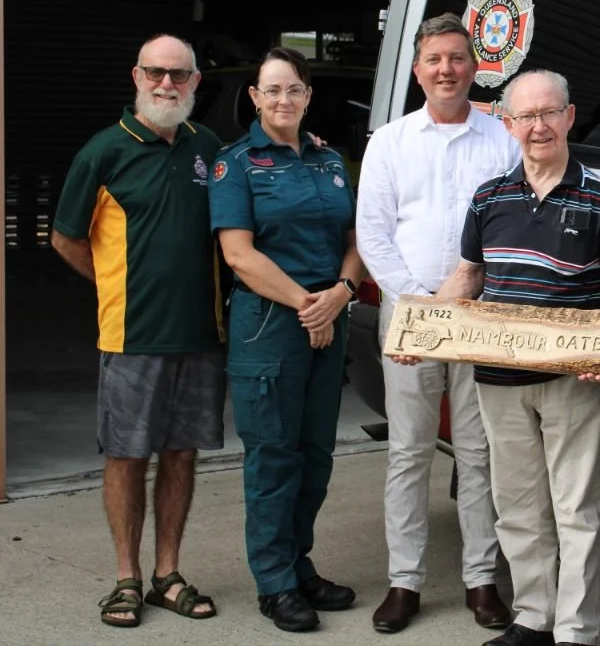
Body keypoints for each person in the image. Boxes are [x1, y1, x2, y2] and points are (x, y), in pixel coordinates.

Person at [421, 69, 600, 646]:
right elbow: (467, 277)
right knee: (517, 503)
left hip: (574, 377)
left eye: (548, 113)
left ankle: (576, 631)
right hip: (498, 376)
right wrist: (422, 332)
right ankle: (533, 618)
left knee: (578, 507)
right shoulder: (489, 198)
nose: (537, 127)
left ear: (569, 117)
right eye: (525, 117)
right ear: (507, 124)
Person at [52, 34, 223, 628]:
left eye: (179, 75)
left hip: (200, 335)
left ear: (196, 82)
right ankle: (126, 578)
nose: (166, 84)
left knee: (181, 453)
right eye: (155, 73)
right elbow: (65, 237)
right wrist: (115, 288)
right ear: (136, 76)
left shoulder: (210, 148)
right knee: (127, 456)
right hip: (129, 337)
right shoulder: (103, 152)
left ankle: (166, 575)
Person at [356, 13, 519, 634]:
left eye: (457, 58)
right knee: (409, 452)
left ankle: (481, 581)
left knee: (479, 454)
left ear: (475, 66)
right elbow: (373, 231)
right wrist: (416, 300)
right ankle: (405, 582)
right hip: (412, 314)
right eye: (434, 59)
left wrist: (468, 296)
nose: (446, 69)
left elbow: (509, 223)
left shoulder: (500, 139)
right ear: (419, 69)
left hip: (480, 315)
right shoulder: (391, 141)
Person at [208, 47, 365, 633]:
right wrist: (310, 305)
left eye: (292, 89)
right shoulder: (237, 164)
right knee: (274, 457)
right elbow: (238, 254)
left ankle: (299, 566)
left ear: (307, 95)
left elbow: (357, 234)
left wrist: (342, 293)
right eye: (270, 90)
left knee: (316, 454)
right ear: (254, 97)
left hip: (329, 316)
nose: (282, 100)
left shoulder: (329, 162)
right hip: (273, 325)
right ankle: (274, 583)